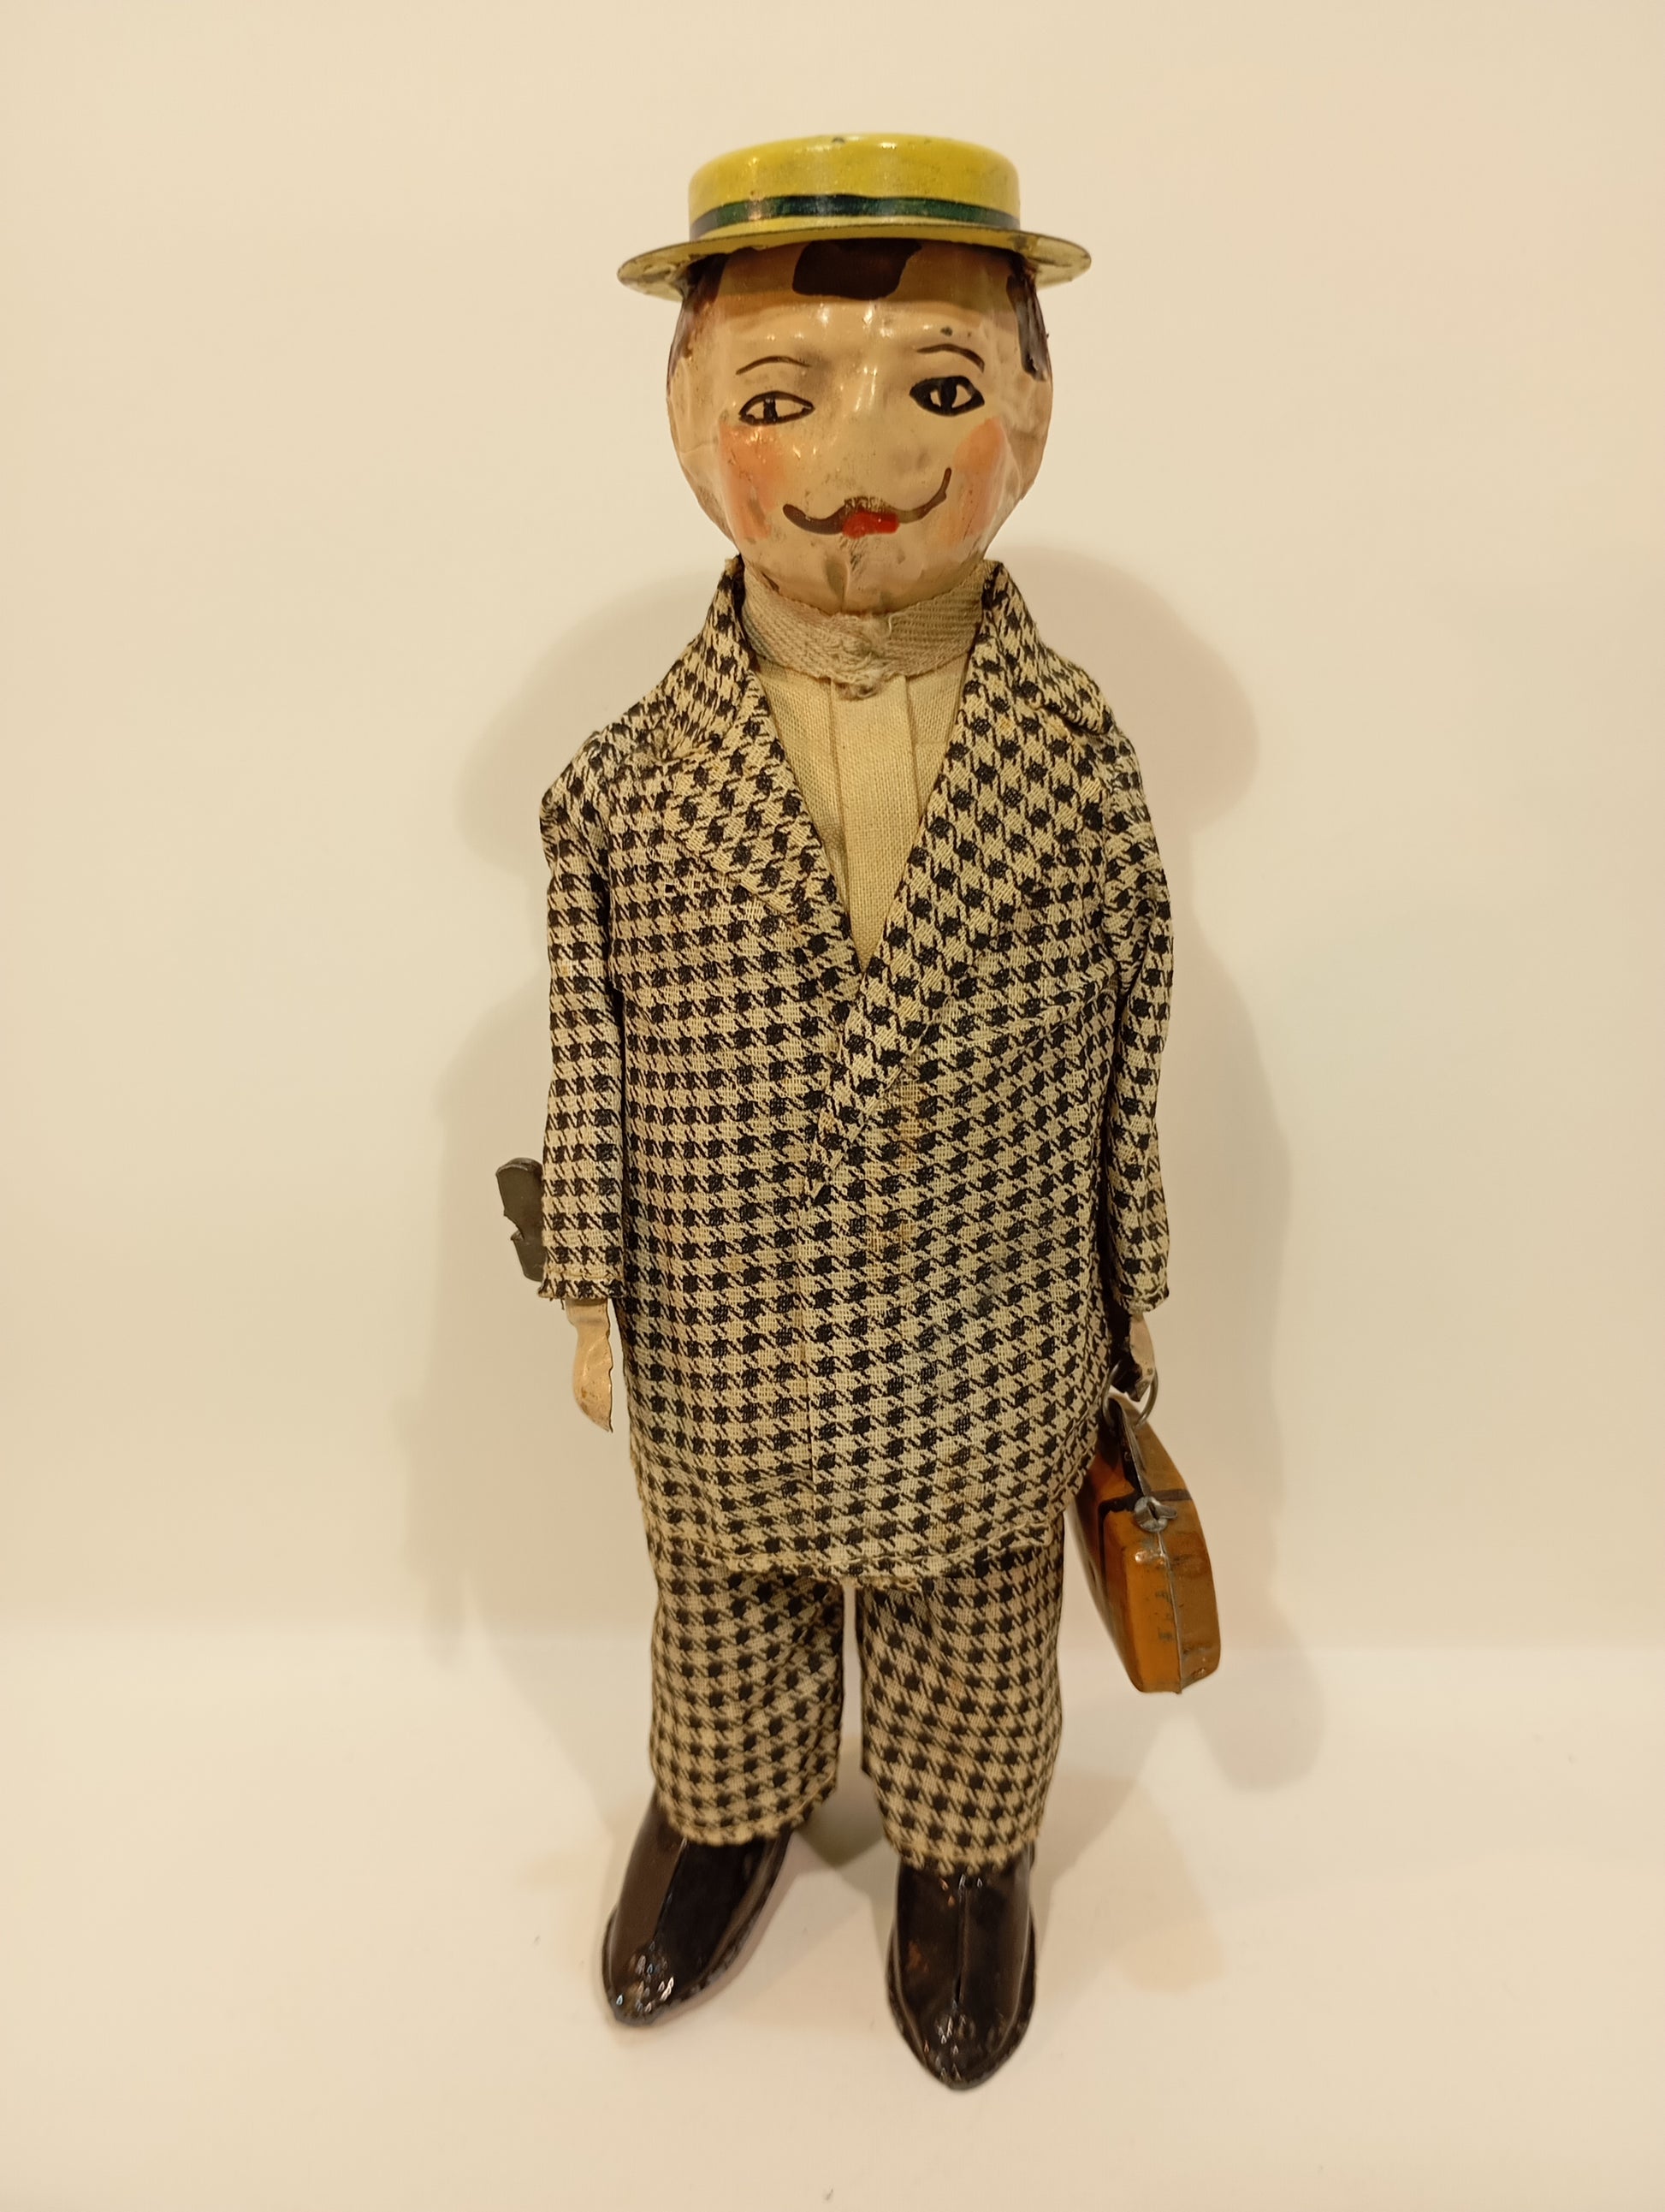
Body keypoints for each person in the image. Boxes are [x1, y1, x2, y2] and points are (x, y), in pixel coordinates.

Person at [535, 134, 1170, 2088]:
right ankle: (726, 1813)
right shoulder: (621, 788)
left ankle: (963, 1858)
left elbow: (1132, 1039)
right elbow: (586, 1051)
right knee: (718, 1598)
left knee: (979, 1607)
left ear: (1033, 414)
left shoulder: (1076, 761)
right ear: (687, 418)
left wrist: (1126, 1292)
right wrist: (589, 1286)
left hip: (988, 1324)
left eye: (942, 388)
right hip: (722, 1322)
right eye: (780, 397)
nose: (865, 453)